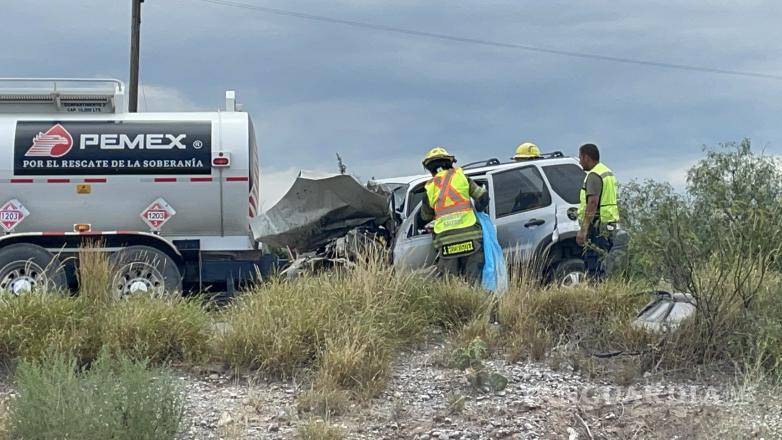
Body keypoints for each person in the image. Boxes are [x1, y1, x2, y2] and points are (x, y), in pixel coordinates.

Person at [419, 147, 489, 282]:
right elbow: (483, 197)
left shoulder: (430, 188)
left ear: (430, 169)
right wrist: (479, 211)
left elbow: (425, 217)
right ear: (450, 163)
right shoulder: (462, 178)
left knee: (450, 285)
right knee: (474, 283)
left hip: (446, 241)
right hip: (471, 237)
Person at [576, 143, 620, 279]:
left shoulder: (594, 175)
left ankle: (596, 287)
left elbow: (593, 202)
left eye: (580, 158)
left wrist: (584, 229)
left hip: (597, 226)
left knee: (594, 263)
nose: (580, 161)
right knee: (606, 261)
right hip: (609, 223)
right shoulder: (607, 172)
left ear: (586, 157)